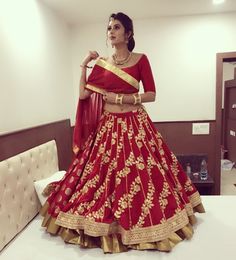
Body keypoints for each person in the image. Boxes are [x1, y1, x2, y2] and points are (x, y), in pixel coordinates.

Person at [40, 12, 205, 253]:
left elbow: (152, 94)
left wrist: (122, 97)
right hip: (108, 127)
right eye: (109, 28)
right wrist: (84, 65)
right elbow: (84, 95)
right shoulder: (102, 64)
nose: (111, 31)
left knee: (145, 177)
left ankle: (146, 224)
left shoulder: (140, 60)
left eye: (116, 27)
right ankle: (105, 225)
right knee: (101, 178)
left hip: (136, 125)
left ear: (128, 34)